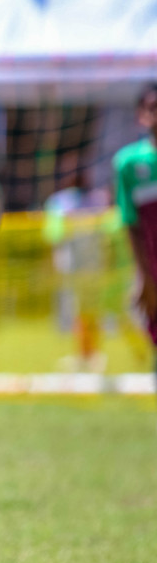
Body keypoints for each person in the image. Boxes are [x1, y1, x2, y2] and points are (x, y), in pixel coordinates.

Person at [113, 83, 157, 389]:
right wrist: (145, 279)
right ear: (141, 115)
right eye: (153, 107)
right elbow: (131, 224)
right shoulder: (129, 164)